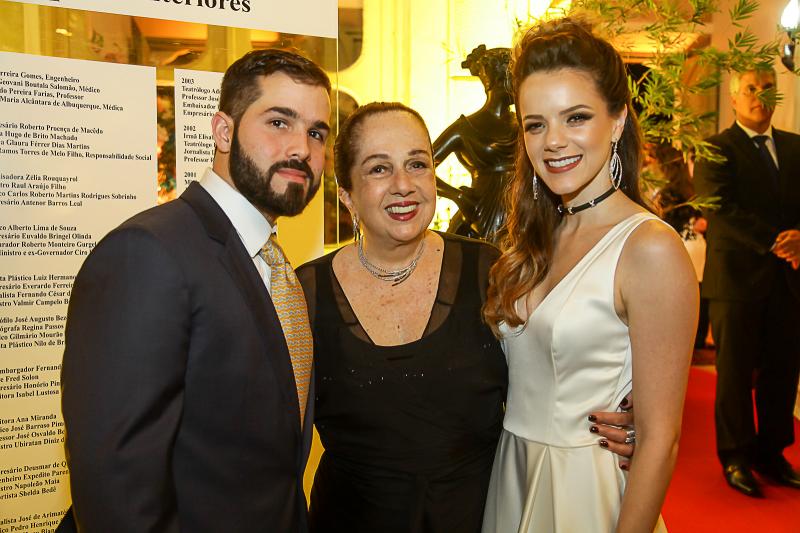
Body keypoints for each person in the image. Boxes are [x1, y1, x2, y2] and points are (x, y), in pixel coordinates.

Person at [297, 101, 636, 533]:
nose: (404, 185)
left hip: (477, 519)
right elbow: (270, 429)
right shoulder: (305, 292)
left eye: (417, 164)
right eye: (379, 169)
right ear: (346, 193)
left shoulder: (489, 271)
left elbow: (554, 370)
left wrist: (627, 411)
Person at [58, 49, 331, 532]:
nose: (301, 149)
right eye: (279, 122)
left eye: (316, 133)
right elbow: (116, 490)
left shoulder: (270, 260)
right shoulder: (147, 253)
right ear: (223, 131)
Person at [481, 18, 697, 533]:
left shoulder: (650, 248)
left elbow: (661, 440)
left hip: (585, 491)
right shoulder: (534, 239)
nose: (554, 141)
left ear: (617, 121)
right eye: (535, 125)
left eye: (575, 117)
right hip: (511, 475)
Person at [693, 67, 800, 497]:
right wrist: (775, 240)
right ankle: (735, 457)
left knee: (782, 371)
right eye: (750, 89)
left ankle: (771, 454)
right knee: (735, 374)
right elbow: (717, 207)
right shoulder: (716, 149)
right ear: (735, 98)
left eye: (767, 88)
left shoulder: (795, 146)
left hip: (788, 282)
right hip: (736, 282)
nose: (760, 95)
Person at [432, 45, 517, 243]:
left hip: (522, 209)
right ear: (498, 81)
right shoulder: (464, 128)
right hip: (481, 211)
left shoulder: (523, 124)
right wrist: (457, 197)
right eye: (514, 79)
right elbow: (421, 167)